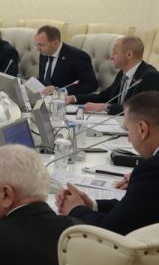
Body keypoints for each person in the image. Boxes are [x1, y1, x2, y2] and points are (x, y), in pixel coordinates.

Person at [57, 91, 159, 235]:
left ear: (142, 129)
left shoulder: (151, 170)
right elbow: (136, 210)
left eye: (127, 130)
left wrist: (75, 209)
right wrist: (92, 205)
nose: (129, 139)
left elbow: (109, 229)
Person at [65, 36, 159, 115]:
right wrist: (74, 98)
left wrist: (106, 107)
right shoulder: (122, 73)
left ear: (129, 54)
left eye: (115, 52)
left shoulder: (150, 77)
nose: (111, 57)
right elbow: (105, 96)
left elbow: (140, 110)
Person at [35, 25, 97, 95]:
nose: (38, 49)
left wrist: (62, 91)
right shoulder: (44, 54)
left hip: (64, 99)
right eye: (37, 45)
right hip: (44, 97)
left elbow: (91, 84)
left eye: (41, 45)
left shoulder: (78, 56)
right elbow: (45, 79)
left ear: (56, 43)